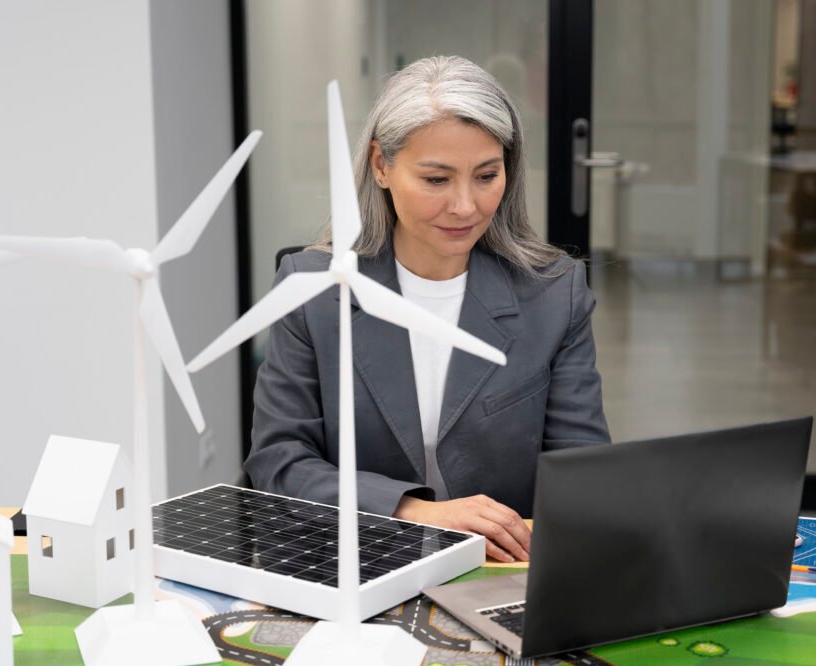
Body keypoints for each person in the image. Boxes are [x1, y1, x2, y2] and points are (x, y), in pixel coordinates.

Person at [248, 56, 610, 562]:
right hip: (357, 563)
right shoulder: (313, 290)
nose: (466, 206)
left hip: (503, 572)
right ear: (381, 166)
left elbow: (584, 473)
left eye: (486, 175)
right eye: (437, 180)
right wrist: (417, 513)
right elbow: (279, 462)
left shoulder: (554, 293)